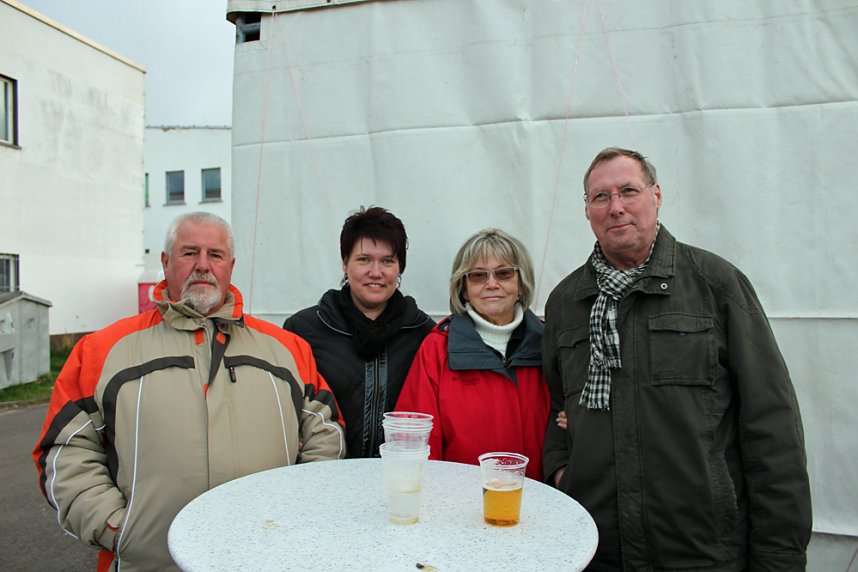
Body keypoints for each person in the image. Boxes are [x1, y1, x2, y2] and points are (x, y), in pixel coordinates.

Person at [542, 147, 812, 570]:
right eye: (600, 197)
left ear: (656, 195)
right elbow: (558, 405)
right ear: (587, 210)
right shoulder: (567, 302)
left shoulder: (715, 285)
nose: (616, 208)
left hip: (702, 551)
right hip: (598, 549)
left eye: (628, 191)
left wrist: (779, 557)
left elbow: (770, 424)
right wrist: (562, 472)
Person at [34, 212, 345, 572]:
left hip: (267, 557)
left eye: (215, 254)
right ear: (165, 263)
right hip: (149, 562)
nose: (202, 265)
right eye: (189, 253)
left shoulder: (286, 349)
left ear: (231, 265)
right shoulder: (101, 352)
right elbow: (65, 453)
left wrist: (301, 511)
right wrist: (119, 529)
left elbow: (327, 434)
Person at [395, 228, 550, 481]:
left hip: (540, 501)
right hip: (458, 504)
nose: (492, 284)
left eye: (504, 273)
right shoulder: (437, 349)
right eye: (478, 275)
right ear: (464, 288)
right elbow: (415, 441)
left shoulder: (549, 343)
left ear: (521, 284)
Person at [283, 206, 434, 458]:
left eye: (388, 261)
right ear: (345, 263)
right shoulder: (304, 329)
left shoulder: (423, 332)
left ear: (400, 268)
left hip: (399, 475)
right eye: (364, 259)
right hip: (325, 476)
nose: (376, 272)